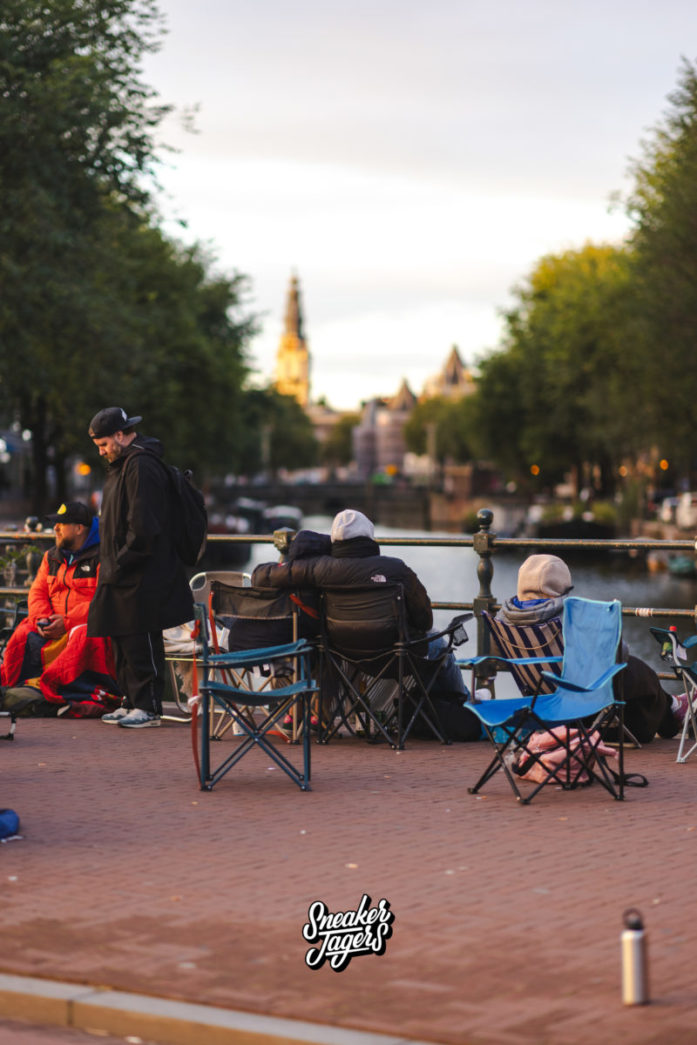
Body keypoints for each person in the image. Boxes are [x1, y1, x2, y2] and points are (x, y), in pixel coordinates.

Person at [252, 508, 480, 740]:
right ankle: (464, 707)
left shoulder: (319, 568)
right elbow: (425, 619)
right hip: (395, 655)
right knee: (441, 645)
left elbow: (261, 577)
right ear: (369, 538)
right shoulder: (396, 569)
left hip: (344, 653)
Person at [495, 553, 689, 744]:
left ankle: (673, 707)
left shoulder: (504, 619)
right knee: (636, 670)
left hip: (544, 704)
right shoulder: (571, 616)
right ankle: (673, 711)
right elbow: (619, 654)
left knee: (633, 674)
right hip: (583, 703)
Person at [86, 407, 194, 728]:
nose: (101, 451)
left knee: (140, 634)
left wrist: (120, 562)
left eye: (104, 444)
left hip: (140, 570)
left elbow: (144, 525)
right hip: (119, 567)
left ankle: (148, 707)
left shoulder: (141, 466)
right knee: (119, 634)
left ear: (120, 434)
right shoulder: (123, 464)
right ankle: (130, 700)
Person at [0, 501, 121, 718]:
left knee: (82, 634)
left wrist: (66, 622)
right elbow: (37, 592)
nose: (55, 528)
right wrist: (42, 619)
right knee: (23, 632)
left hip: (85, 626)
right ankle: (16, 686)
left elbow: (104, 601)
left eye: (61, 524)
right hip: (53, 625)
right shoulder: (51, 557)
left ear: (79, 528)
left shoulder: (103, 557)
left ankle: (55, 689)